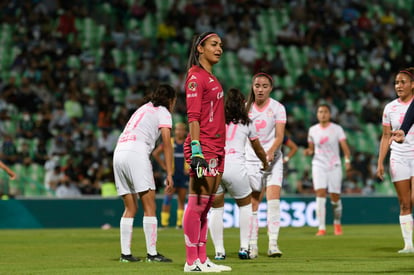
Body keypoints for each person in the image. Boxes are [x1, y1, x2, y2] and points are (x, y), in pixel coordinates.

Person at [182, 31, 231, 272]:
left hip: (218, 146)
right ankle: (191, 261)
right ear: (200, 48)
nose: (219, 48)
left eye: (221, 45)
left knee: (208, 204)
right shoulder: (195, 77)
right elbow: (193, 116)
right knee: (197, 203)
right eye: (214, 44)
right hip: (205, 146)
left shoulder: (212, 77)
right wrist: (196, 149)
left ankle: (202, 258)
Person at [113, 84, 176, 263]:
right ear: (171, 100)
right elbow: (166, 142)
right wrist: (170, 173)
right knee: (149, 207)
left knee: (130, 207)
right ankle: (152, 254)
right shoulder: (163, 111)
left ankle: (125, 254)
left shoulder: (143, 108)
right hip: (136, 152)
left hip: (119, 152)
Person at [209, 88, 269, 260]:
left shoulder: (216, 121)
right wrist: (264, 163)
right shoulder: (248, 123)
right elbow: (257, 149)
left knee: (216, 209)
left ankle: (219, 251)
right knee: (245, 206)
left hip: (217, 166)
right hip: (236, 167)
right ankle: (244, 248)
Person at [245, 72, 286, 258]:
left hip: (273, 160)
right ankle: (252, 245)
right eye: (257, 86)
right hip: (252, 161)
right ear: (252, 87)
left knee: (274, 201)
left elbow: (279, 136)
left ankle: (273, 244)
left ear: (271, 88)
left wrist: (270, 153)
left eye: (264, 86)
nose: (260, 89)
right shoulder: (245, 109)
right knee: (254, 203)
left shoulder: (278, 108)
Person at [377, 68, 414, 253]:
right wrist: (380, 162)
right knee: (405, 203)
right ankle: (408, 245)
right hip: (398, 156)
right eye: (396, 83)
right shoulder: (390, 108)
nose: (398, 86)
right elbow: (385, 136)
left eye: (403, 82)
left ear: (413, 85)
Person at [304, 103, 351, 236]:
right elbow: (311, 149)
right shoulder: (312, 130)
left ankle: (337, 223)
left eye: (325, 112)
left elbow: (345, 148)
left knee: (335, 198)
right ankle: (322, 227)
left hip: (334, 165)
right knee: (320, 194)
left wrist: (347, 161)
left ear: (330, 114)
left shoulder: (337, 129)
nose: (322, 114)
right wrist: (308, 151)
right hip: (318, 164)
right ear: (317, 114)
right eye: (320, 112)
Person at [152, 122, 189, 229]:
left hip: (183, 175)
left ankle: (179, 224)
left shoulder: (188, 143)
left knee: (181, 199)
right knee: (167, 198)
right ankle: (164, 224)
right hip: (171, 175)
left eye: (182, 129)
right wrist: (164, 166)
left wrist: (189, 167)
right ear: (175, 131)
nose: (180, 131)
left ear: (185, 132)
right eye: (178, 129)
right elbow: (155, 153)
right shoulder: (169, 142)